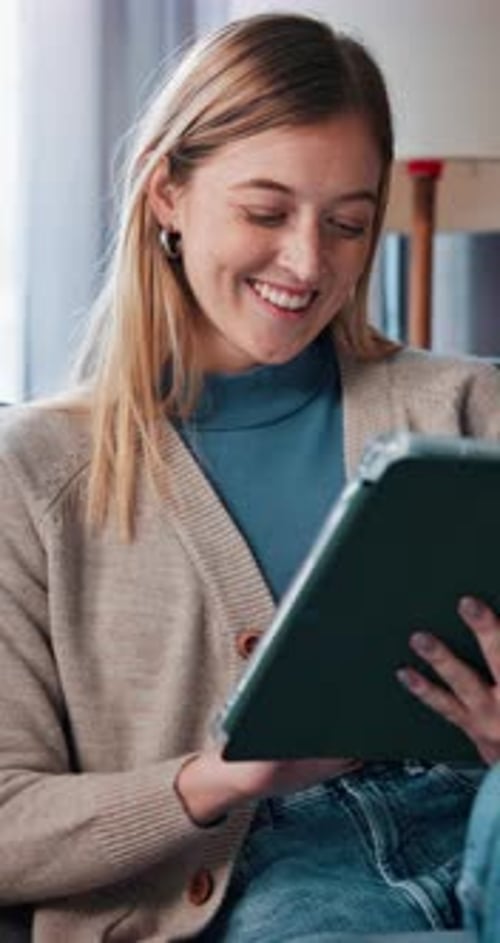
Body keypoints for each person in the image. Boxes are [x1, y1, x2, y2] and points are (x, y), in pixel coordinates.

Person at [0, 11, 499, 942]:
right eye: (266, 213)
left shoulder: (470, 410)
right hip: (266, 878)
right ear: (167, 197)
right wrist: (219, 777)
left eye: (349, 224)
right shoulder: (34, 480)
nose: (309, 263)